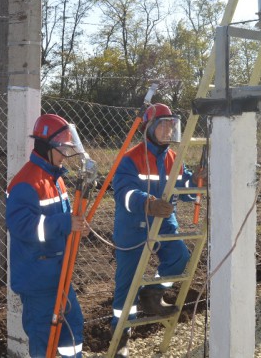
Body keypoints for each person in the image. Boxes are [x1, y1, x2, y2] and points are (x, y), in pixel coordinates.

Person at [109, 103, 204, 357]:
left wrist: (194, 182)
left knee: (180, 257)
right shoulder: (130, 158)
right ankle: (120, 337)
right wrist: (148, 203)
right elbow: (123, 193)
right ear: (149, 128)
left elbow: (183, 188)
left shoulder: (173, 157)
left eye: (171, 124)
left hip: (165, 224)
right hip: (133, 229)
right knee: (127, 286)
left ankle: (153, 293)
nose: (168, 129)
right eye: (163, 124)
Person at [6, 113, 91, 358]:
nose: (66, 153)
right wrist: (65, 223)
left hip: (59, 274)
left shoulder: (55, 179)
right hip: (38, 279)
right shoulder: (26, 182)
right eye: (62, 147)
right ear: (46, 146)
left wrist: (76, 226)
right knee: (44, 340)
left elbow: (63, 219)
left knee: (73, 326)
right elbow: (22, 226)